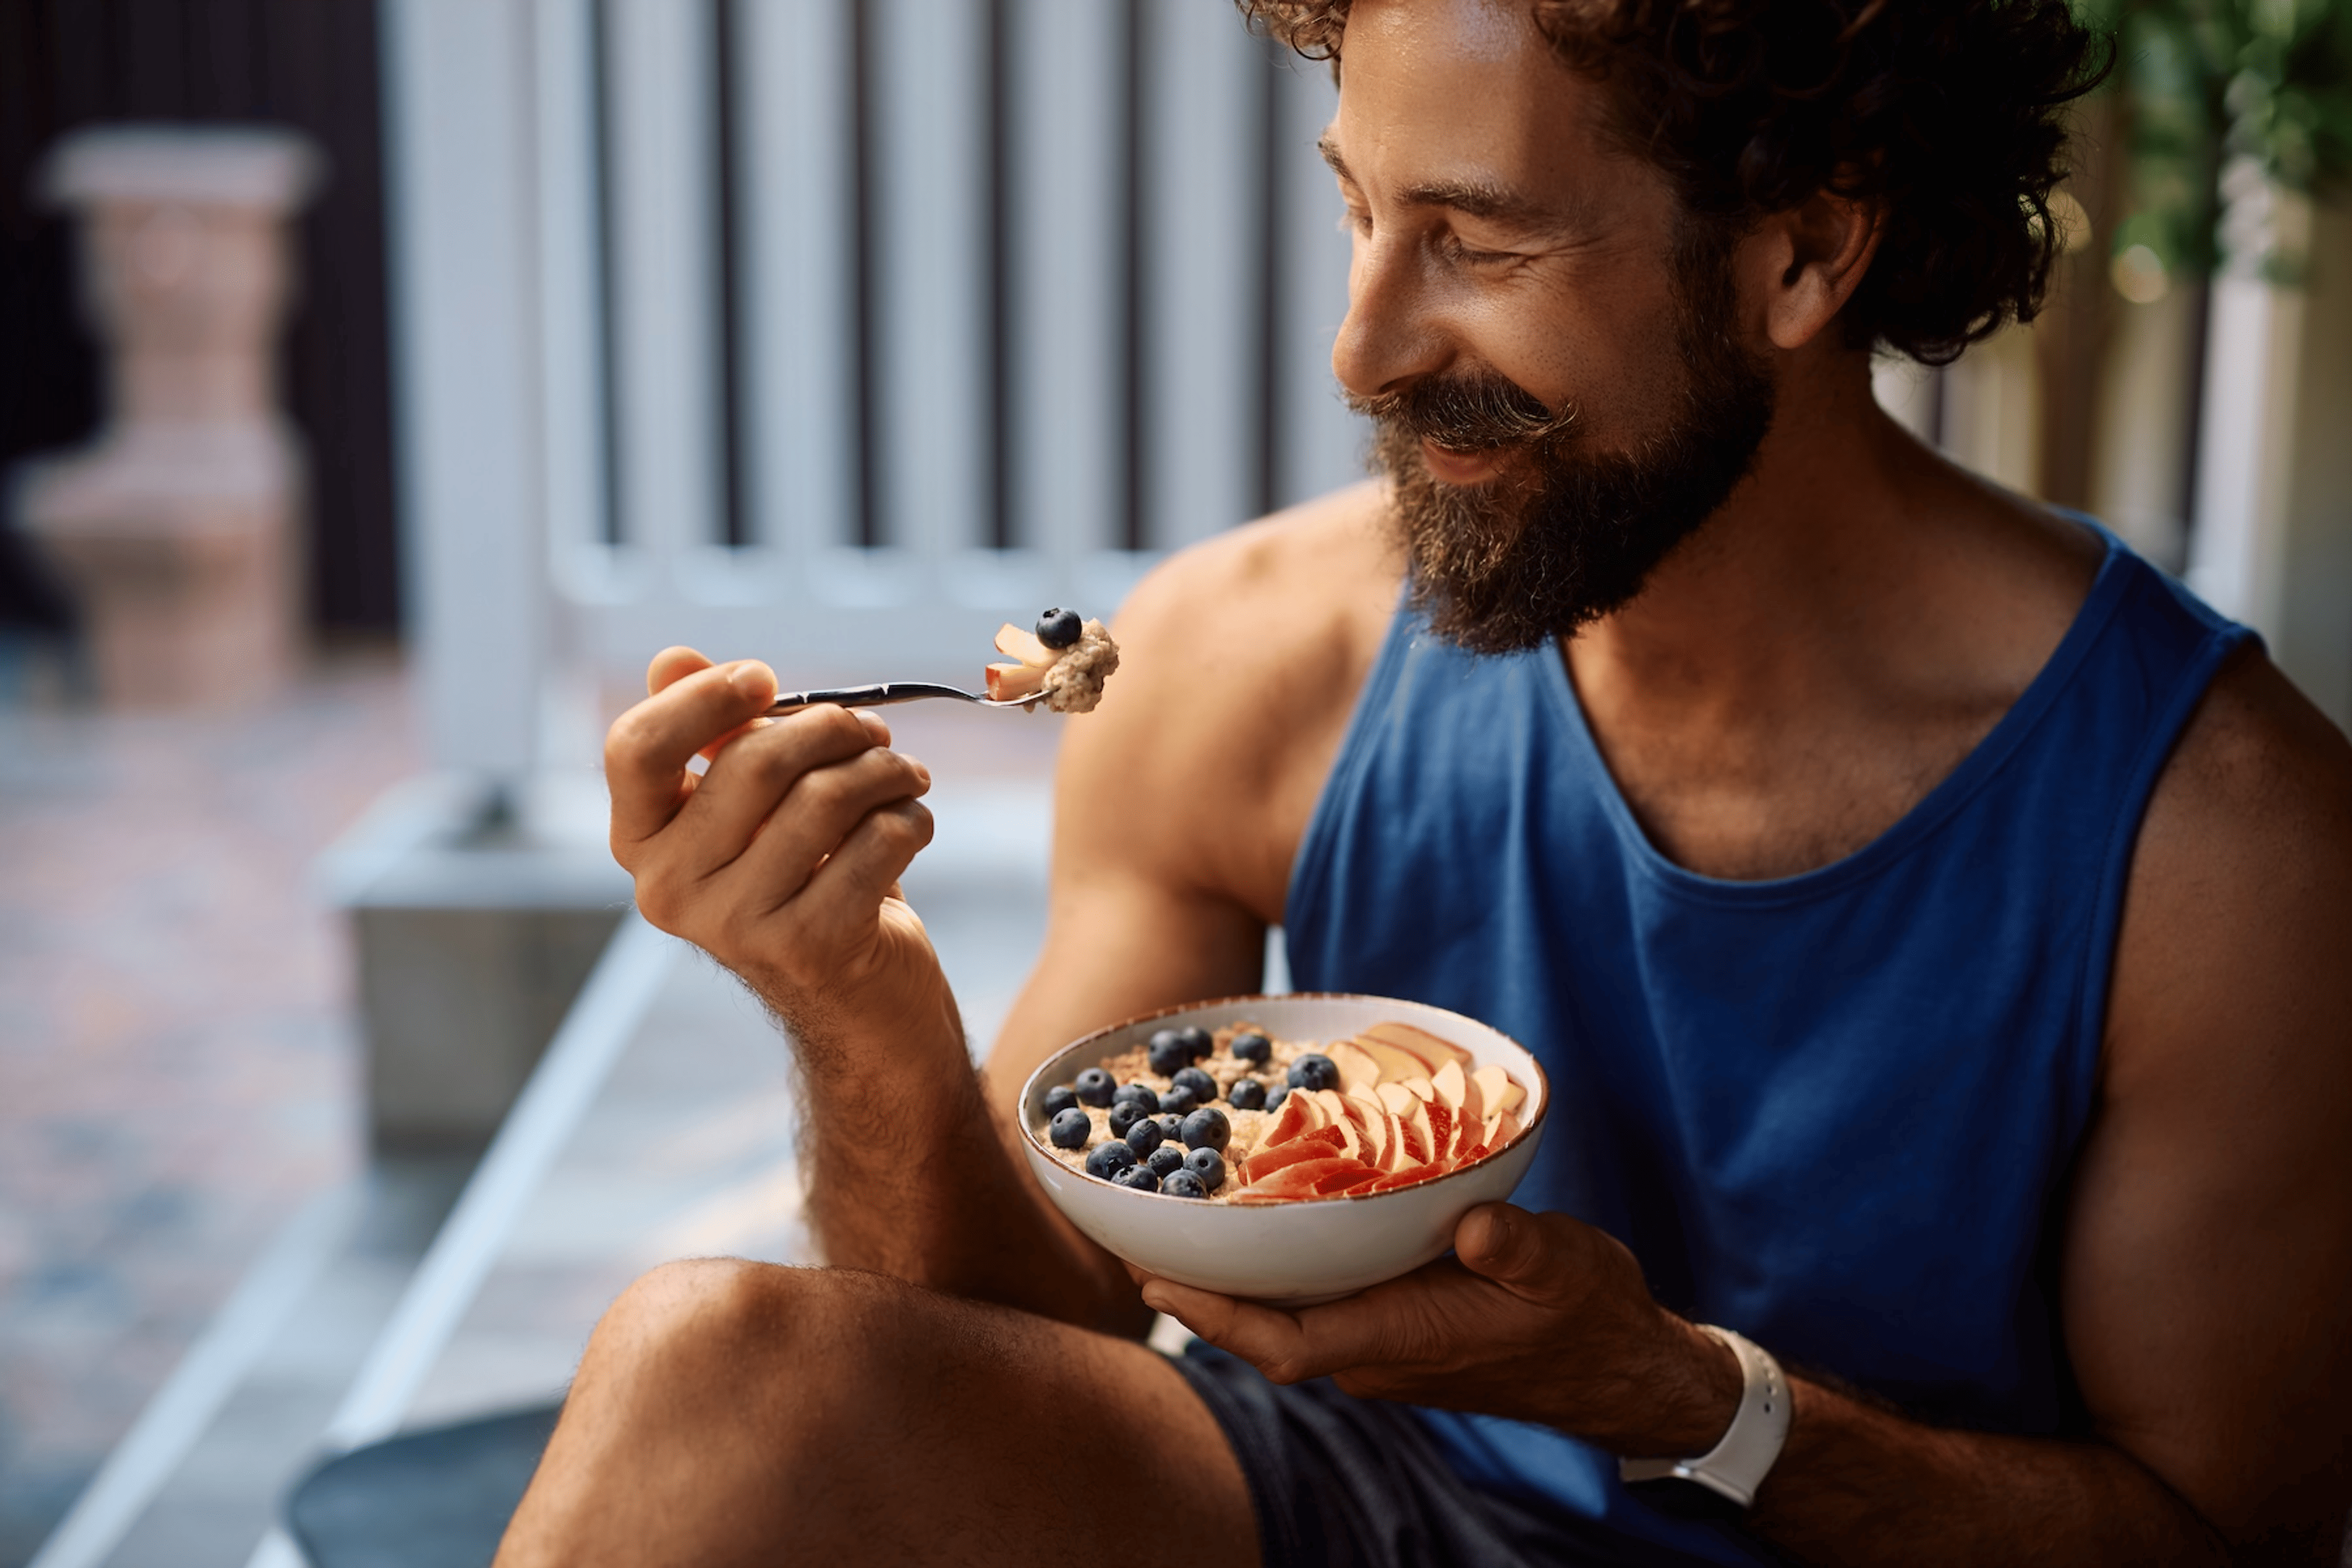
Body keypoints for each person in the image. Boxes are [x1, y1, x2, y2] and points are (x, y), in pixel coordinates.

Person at [494, 0, 2352, 1562]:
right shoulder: (1244, 660)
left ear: (1802, 252)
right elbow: (1008, 1343)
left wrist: (1677, 1397)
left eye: (1478, 241)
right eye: (1361, 209)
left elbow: (2221, 1539)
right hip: (1347, 1508)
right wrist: (857, 1012)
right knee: (707, 1370)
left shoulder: (2221, 841)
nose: (1363, 349)